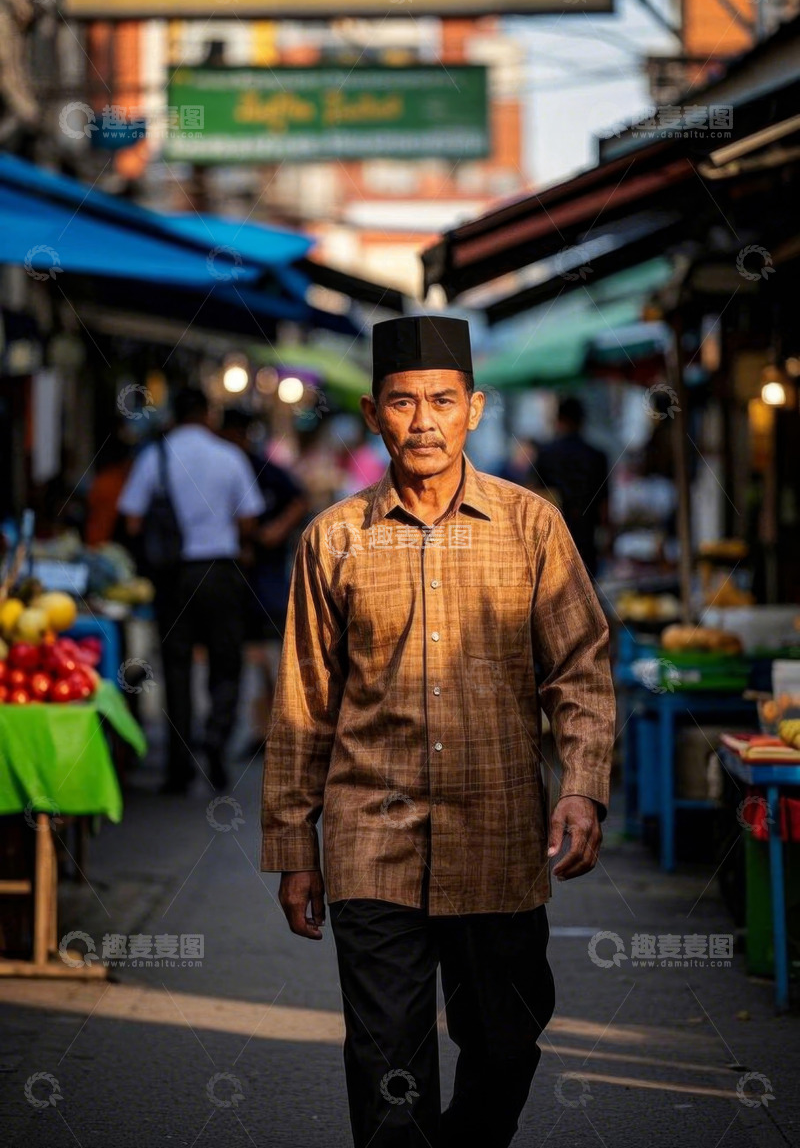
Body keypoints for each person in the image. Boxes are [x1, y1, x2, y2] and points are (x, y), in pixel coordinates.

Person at [261, 316, 616, 1148]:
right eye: (404, 401)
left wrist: (583, 786)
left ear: (475, 410)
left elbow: (582, 667)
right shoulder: (333, 538)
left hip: (497, 838)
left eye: (443, 401)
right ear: (375, 412)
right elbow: (302, 701)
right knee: (389, 1061)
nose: (424, 420)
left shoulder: (533, 526)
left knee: (505, 1041)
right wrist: (293, 846)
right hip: (369, 838)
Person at [119, 388, 265, 794]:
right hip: (220, 570)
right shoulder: (228, 456)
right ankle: (217, 738)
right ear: (206, 414)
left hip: (174, 576)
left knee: (177, 666)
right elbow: (249, 520)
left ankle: (179, 765)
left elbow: (131, 519)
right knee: (225, 661)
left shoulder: (156, 456)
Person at [219, 408, 308, 750]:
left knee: (272, 653)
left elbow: (299, 499)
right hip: (233, 575)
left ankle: (275, 728)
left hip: (268, 577)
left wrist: (275, 531)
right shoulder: (221, 465)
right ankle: (256, 729)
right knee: (244, 655)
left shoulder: (263, 468)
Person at [534, 396, 609, 578]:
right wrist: (608, 538)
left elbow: (533, 496)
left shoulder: (546, 454)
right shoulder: (596, 456)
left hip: (553, 539)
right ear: (581, 421)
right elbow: (604, 505)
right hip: (586, 539)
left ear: (559, 421)